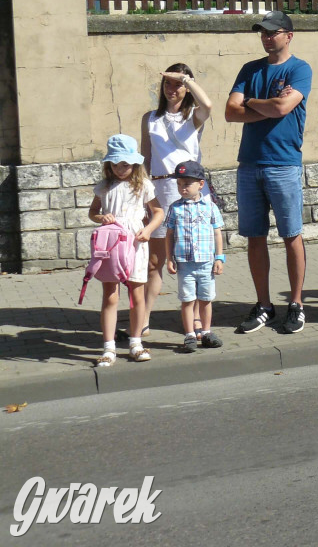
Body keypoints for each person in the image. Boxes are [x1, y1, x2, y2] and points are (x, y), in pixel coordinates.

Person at [225, 10, 313, 334]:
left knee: (292, 236)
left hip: (283, 165)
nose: (266, 37)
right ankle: (263, 305)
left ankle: (297, 304)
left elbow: (283, 108)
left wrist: (252, 102)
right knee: (255, 238)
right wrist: (263, 102)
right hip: (249, 164)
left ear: (288, 35)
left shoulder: (299, 69)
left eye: (272, 32)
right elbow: (230, 112)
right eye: (262, 32)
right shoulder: (249, 69)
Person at [139, 63, 213, 342]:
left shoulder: (193, 116)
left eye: (178, 84)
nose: (172, 89)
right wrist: (144, 195)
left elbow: (208, 103)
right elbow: (145, 158)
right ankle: (143, 317)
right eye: (168, 84)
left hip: (190, 188)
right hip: (160, 188)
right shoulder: (150, 118)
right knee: (155, 260)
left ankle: (194, 317)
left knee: (191, 258)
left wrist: (186, 78)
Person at [88, 135, 164, 366]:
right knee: (110, 295)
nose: (121, 169)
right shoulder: (103, 187)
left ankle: (136, 342)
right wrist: (101, 217)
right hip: (111, 243)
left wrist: (148, 230)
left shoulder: (143, 186)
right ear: (109, 165)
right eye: (116, 164)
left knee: (136, 294)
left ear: (134, 164)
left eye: (126, 164)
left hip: (135, 243)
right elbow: (93, 212)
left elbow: (158, 212)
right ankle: (109, 347)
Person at [164, 160, 225, 352]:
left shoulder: (210, 207)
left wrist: (219, 257)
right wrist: (169, 258)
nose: (182, 188)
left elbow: (217, 232)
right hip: (185, 264)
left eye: (187, 184)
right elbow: (169, 234)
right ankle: (190, 334)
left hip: (206, 262)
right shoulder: (175, 208)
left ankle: (206, 332)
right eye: (179, 184)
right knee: (187, 300)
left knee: (206, 299)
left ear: (200, 184)